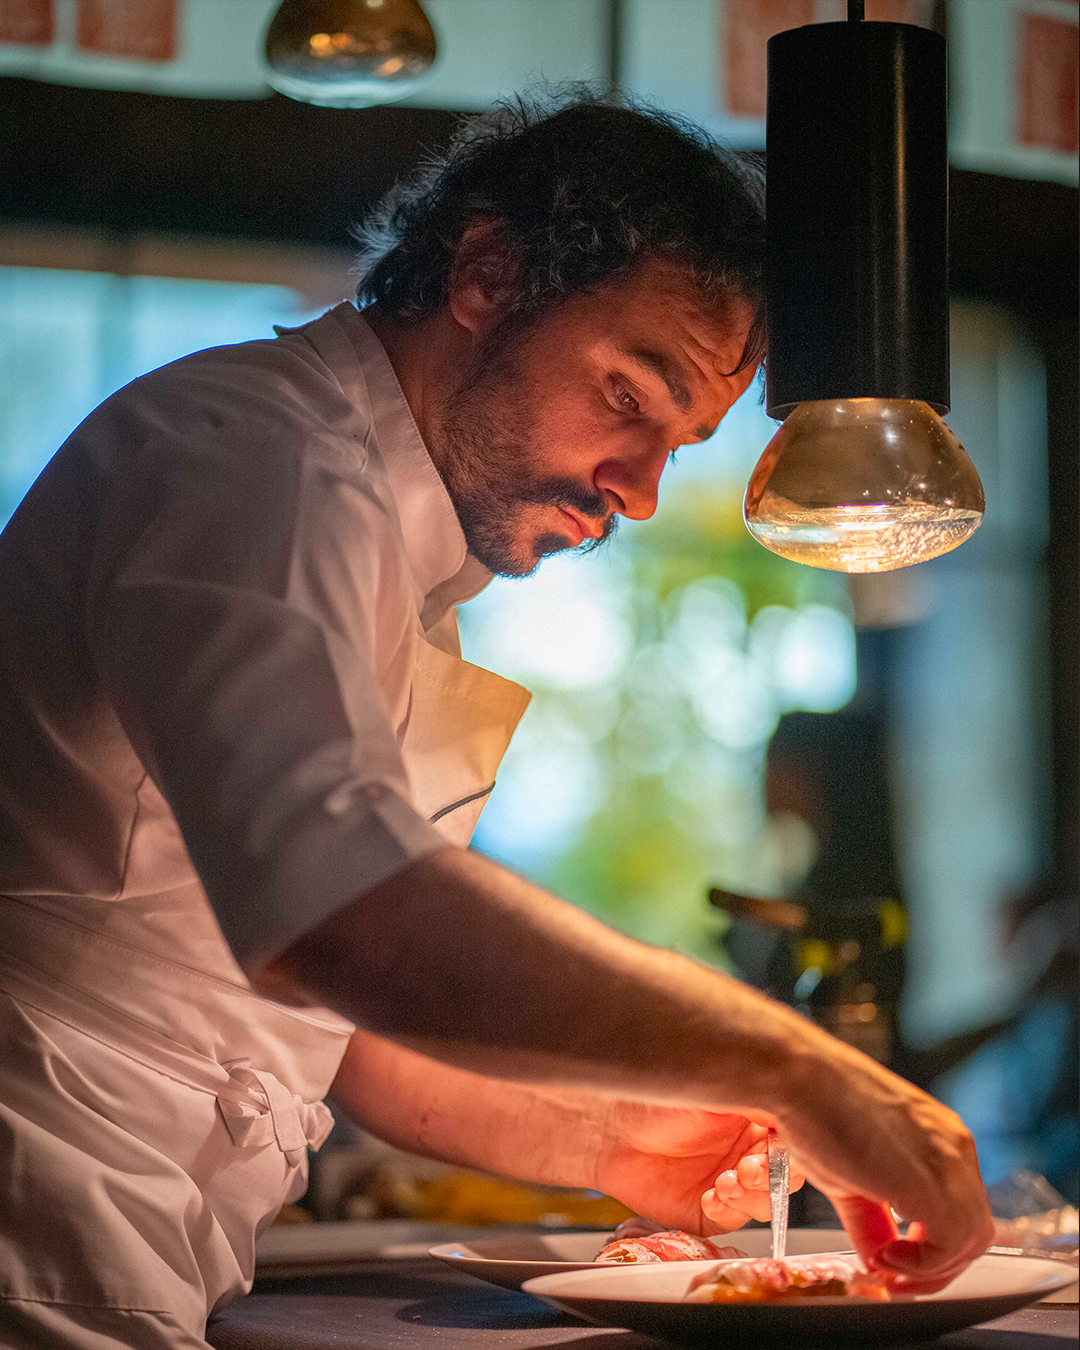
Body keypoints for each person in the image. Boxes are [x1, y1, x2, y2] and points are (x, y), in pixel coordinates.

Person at [0, 92, 992, 1348]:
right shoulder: (251, 457)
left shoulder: (402, 567)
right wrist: (789, 1063)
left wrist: (615, 1136)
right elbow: (349, 922)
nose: (637, 493)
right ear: (486, 274)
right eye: (632, 395)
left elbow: (339, 1033)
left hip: (132, 1234)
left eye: (677, 447)